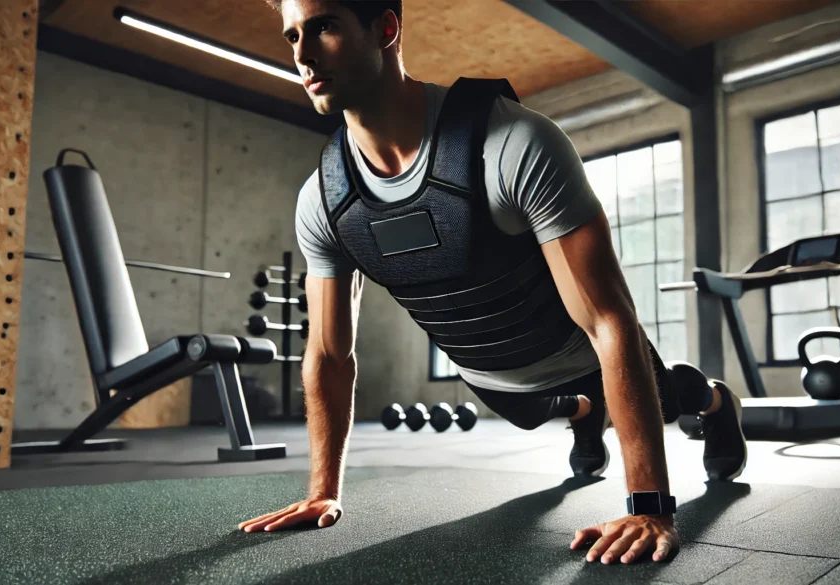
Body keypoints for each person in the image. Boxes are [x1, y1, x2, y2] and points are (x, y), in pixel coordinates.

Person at [239, 0, 747, 565]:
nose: (302, 55)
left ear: (386, 27)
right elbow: (330, 354)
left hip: (578, 355)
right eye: (291, 37)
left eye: (324, 27)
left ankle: (719, 405)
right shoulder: (325, 199)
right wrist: (323, 491)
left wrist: (650, 505)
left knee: (664, 394)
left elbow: (608, 320)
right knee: (540, 410)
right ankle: (585, 420)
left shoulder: (512, 144)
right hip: (489, 376)